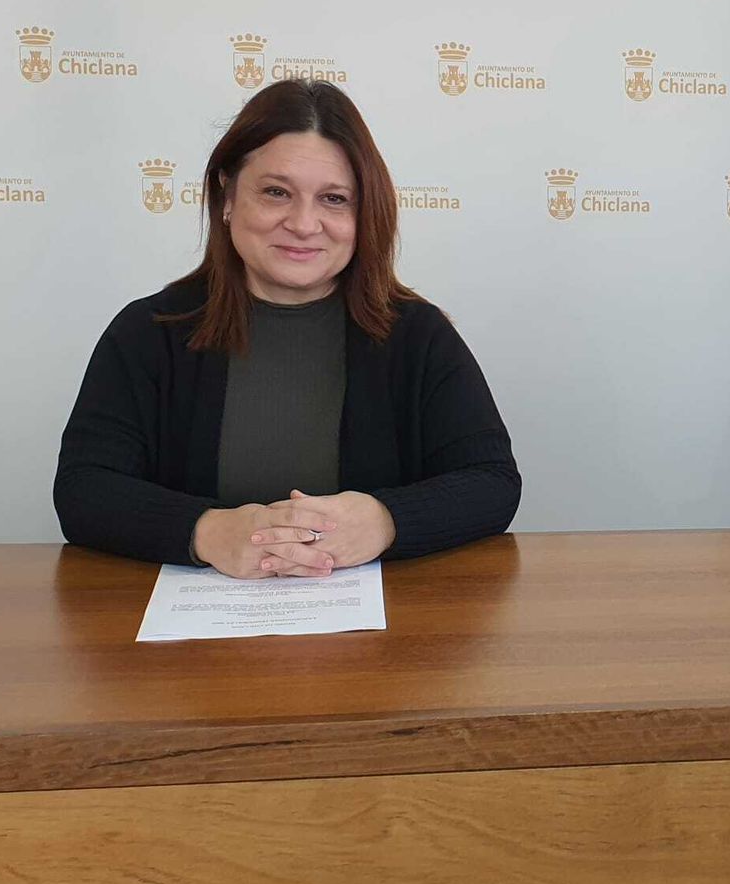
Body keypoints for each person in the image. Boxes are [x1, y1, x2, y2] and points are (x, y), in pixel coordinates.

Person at [54, 80, 520, 577]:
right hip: (193, 643)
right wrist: (206, 531)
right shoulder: (148, 332)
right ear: (227, 196)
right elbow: (84, 489)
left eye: (335, 199)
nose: (303, 223)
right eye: (276, 192)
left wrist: (386, 521)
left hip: (381, 641)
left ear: (365, 215)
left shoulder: (417, 335)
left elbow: (491, 481)